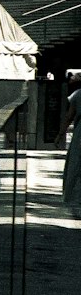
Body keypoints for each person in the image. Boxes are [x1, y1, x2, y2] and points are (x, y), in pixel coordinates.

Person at [64, 69, 81, 219]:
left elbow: (69, 116)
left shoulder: (77, 95)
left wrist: (59, 135)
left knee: (76, 165)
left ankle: (75, 199)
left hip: (80, 135)